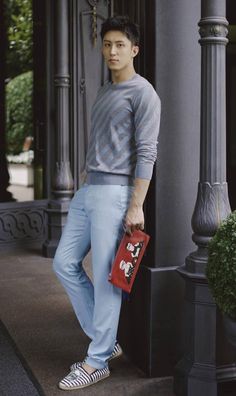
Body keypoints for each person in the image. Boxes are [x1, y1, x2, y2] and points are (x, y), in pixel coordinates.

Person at [53, 15, 161, 391]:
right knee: (64, 263)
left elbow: (147, 153)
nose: (112, 51)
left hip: (116, 195)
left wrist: (136, 204)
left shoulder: (143, 93)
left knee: (106, 279)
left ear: (134, 49)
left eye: (120, 45)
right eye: (107, 44)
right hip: (88, 190)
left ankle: (97, 360)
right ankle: (105, 341)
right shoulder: (102, 91)